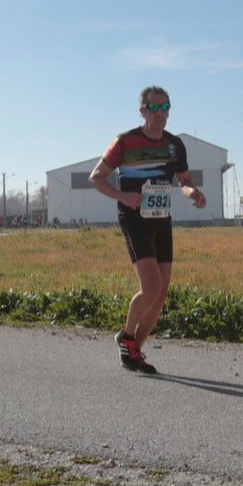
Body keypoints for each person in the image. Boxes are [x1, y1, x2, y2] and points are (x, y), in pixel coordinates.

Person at [88, 86, 206, 374]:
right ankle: (127, 337)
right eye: (153, 108)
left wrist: (192, 192)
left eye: (164, 108)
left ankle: (133, 349)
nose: (159, 114)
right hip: (134, 217)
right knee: (150, 286)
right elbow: (96, 178)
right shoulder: (125, 141)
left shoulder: (174, 144)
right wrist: (123, 196)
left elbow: (184, 180)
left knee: (161, 292)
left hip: (161, 218)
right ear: (142, 111)